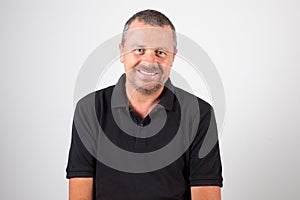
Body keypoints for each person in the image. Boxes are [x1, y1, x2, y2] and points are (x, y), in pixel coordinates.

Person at [66, 9, 223, 200]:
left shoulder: (199, 113)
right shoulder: (89, 109)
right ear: (122, 52)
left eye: (160, 52)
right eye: (139, 50)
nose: (149, 61)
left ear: (173, 57)